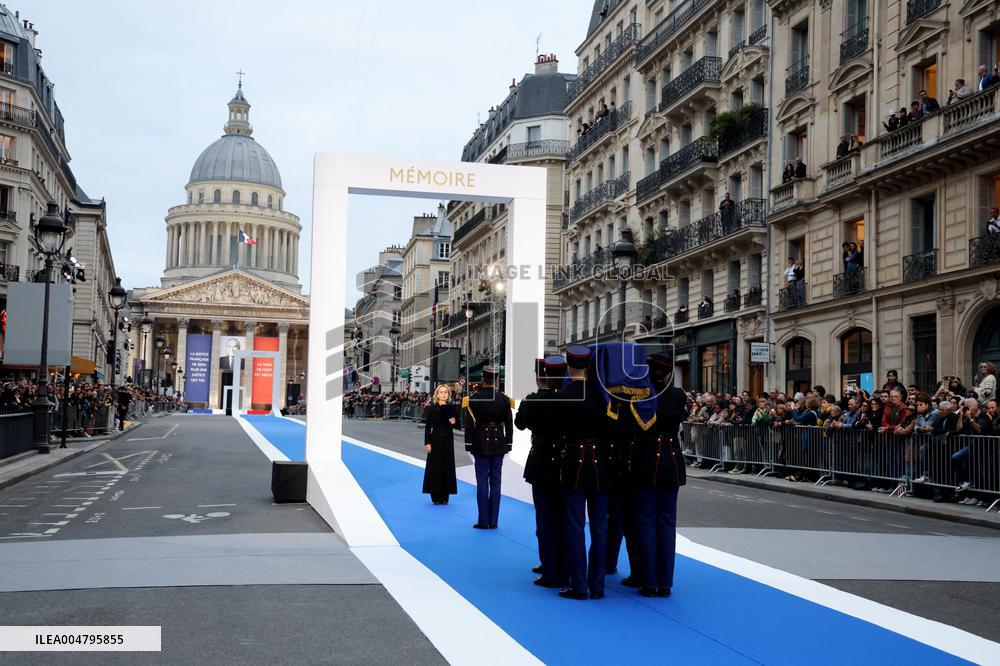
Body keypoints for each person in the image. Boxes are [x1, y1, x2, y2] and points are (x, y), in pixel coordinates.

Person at [553, 345, 611, 600]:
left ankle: (579, 584)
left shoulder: (564, 395)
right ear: (588, 366)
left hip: (574, 461)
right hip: (600, 463)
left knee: (575, 526)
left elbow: (558, 432)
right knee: (600, 526)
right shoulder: (602, 396)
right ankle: (597, 584)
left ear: (568, 366)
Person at [630, 353, 686, 598]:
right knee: (667, 523)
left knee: (646, 522)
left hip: (646, 461)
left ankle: (649, 580)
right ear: (668, 373)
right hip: (671, 461)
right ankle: (665, 582)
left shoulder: (640, 397)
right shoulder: (678, 395)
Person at [515, 356, 568, 588]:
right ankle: (561, 564)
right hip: (565, 462)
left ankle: (549, 567)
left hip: (541, 461)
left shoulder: (532, 401)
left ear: (540, 378)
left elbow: (519, 424)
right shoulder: (569, 399)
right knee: (563, 517)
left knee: (544, 518)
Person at [462, 366, 513, 529]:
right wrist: (509, 443)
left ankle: (483, 521)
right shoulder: (504, 400)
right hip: (499, 442)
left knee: (482, 482)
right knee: (496, 482)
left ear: (483, 380)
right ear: (496, 381)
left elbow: (469, 425)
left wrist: (469, 444)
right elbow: (509, 425)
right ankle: (494, 521)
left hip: (481, 442)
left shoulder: (473, 399)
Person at [422, 384, 458, 505]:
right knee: (435, 466)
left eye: (445, 392)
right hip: (435, 439)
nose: (443, 394)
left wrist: (454, 422)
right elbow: (428, 427)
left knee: (447, 466)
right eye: (441, 392)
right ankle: (435, 495)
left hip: (448, 440)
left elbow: (458, 424)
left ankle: (446, 495)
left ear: (448, 395)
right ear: (437, 395)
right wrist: (427, 442)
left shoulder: (452, 408)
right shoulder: (431, 409)